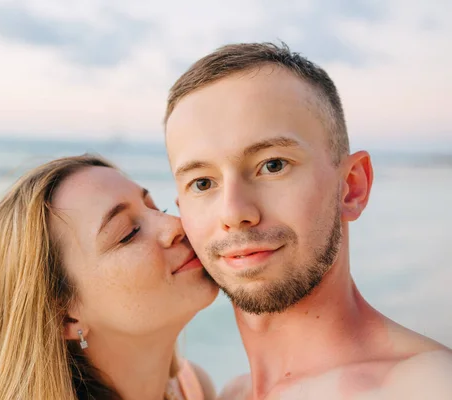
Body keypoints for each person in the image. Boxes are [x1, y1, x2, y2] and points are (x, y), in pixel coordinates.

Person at [164, 42, 452, 399]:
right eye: (203, 183)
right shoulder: (229, 393)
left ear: (351, 187)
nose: (233, 213)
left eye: (273, 165)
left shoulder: (426, 387)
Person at [0, 155, 219, 400]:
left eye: (156, 208)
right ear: (65, 316)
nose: (174, 225)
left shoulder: (192, 387)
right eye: (128, 233)